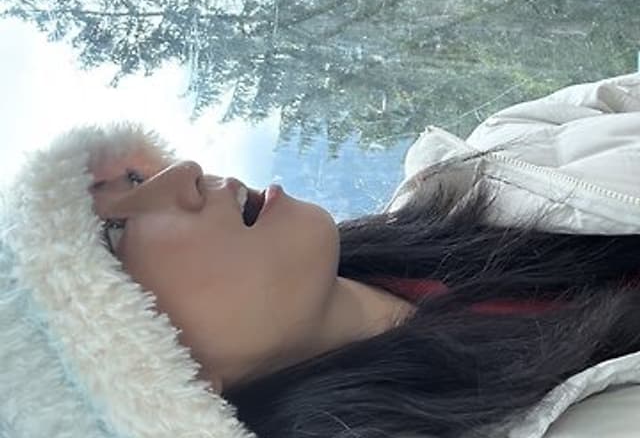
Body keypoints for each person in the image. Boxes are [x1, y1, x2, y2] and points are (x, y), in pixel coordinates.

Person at [0, 71, 639, 438]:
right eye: (113, 234)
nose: (184, 172)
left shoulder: (490, 158)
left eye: (136, 177)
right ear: (154, 380)